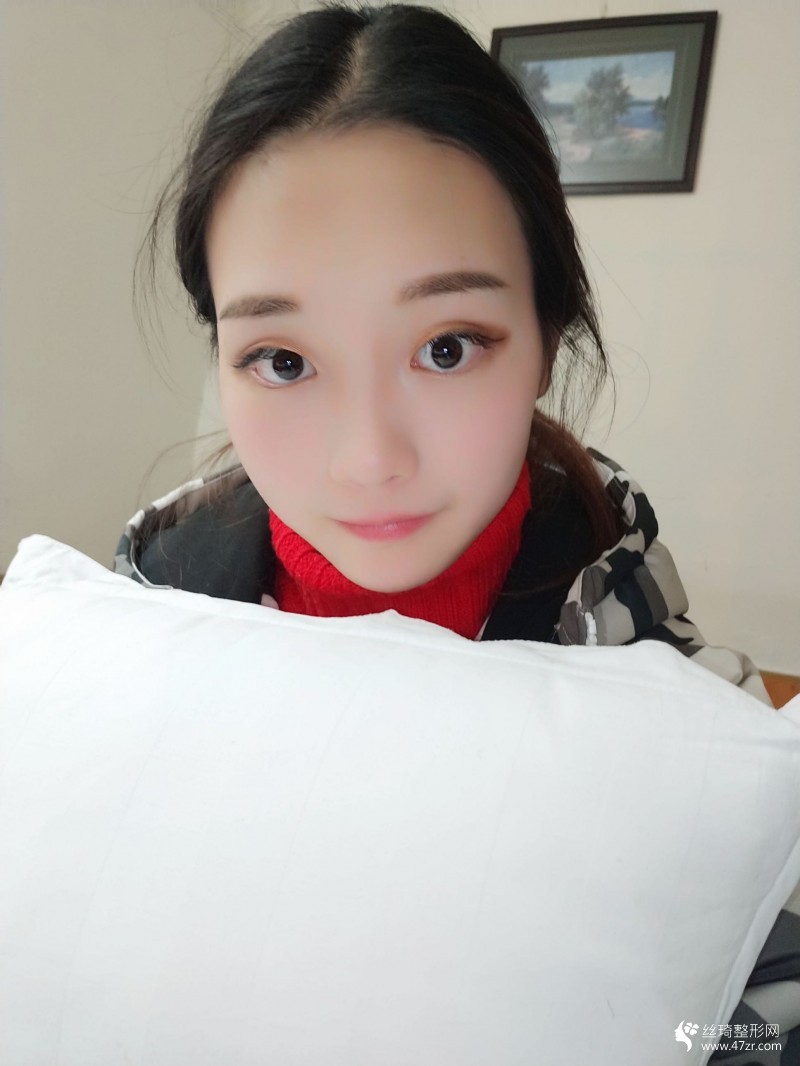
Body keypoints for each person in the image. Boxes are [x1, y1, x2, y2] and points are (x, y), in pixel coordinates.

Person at [115, 5, 798, 1056]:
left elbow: (749, 1025)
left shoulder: (687, 722)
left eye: (446, 346)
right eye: (283, 360)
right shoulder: (126, 625)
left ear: (546, 336)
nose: (367, 458)